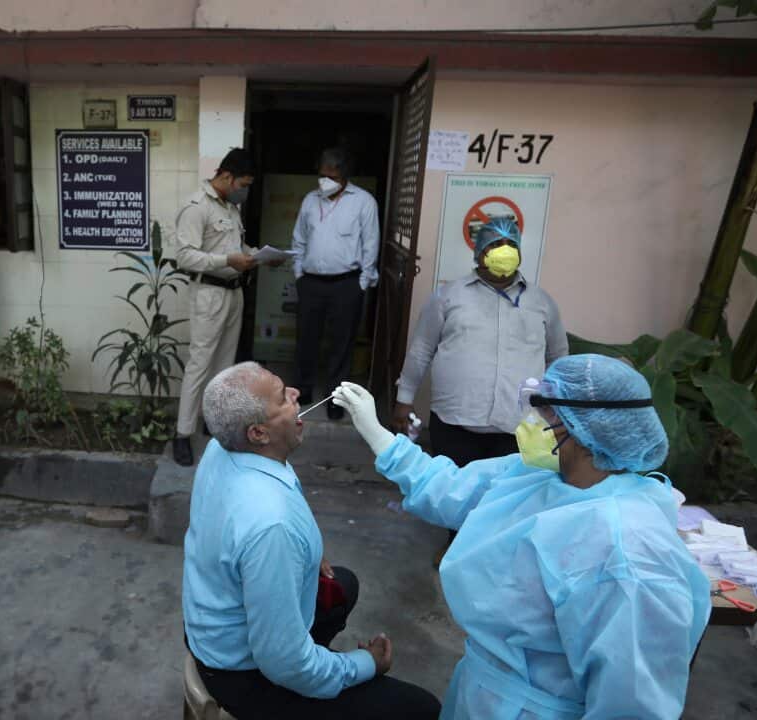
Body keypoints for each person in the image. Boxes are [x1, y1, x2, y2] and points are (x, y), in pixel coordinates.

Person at [330, 354, 711, 719]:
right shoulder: (536, 475)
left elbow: (633, 702)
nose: (530, 420)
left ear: (579, 427)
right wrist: (378, 435)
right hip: (483, 692)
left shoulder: (627, 550)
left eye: (543, 410)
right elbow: (449, 488)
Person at [182, 362, 442, 719]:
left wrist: (307, 549)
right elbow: (283, 663)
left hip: (213, 623)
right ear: (258, 433)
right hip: (242, 672)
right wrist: (363, 664)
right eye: (282, 398)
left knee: (342, 584)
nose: (297, 394)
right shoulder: (271, 525)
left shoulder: (223, 448)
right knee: (422, 710)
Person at [394, 217, 567, 544]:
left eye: (510, 245)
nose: (503, 252)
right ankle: (455, 546)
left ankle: (490, 550)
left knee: (506, 495)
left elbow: (559, 357)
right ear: (479, 252)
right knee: (454, 492)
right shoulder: (448, 297)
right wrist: (404, 398)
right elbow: (420, 351)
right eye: (494, 245)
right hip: (456, 419)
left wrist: (558, 412)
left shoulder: (541, 303)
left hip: (517, 424)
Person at [172, 148, 269, 467]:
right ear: (226, 177)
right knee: (200, 364)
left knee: (224, 368)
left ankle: (213, 424)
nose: (245, 190)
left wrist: (257, 255)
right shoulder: (196, 207)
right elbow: (184, 256)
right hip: (209, 294)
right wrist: (227, 260)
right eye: (243, 183)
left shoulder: (230, 207)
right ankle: (183, 435)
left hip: (233, 293)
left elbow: (235, 248)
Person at [291, 147, 380, 420]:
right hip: (311, 283)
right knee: (306, 338)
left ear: (344, 176)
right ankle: (303, 389)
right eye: (321, 175)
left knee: (341, 343)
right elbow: (299, 239)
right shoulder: (310, 200)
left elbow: (370, 244)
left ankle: (334, 397)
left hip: (347, 284)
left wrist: (362, 283)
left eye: (331, 176)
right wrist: (299, 274)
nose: (324, 181)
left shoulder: (363, 201)